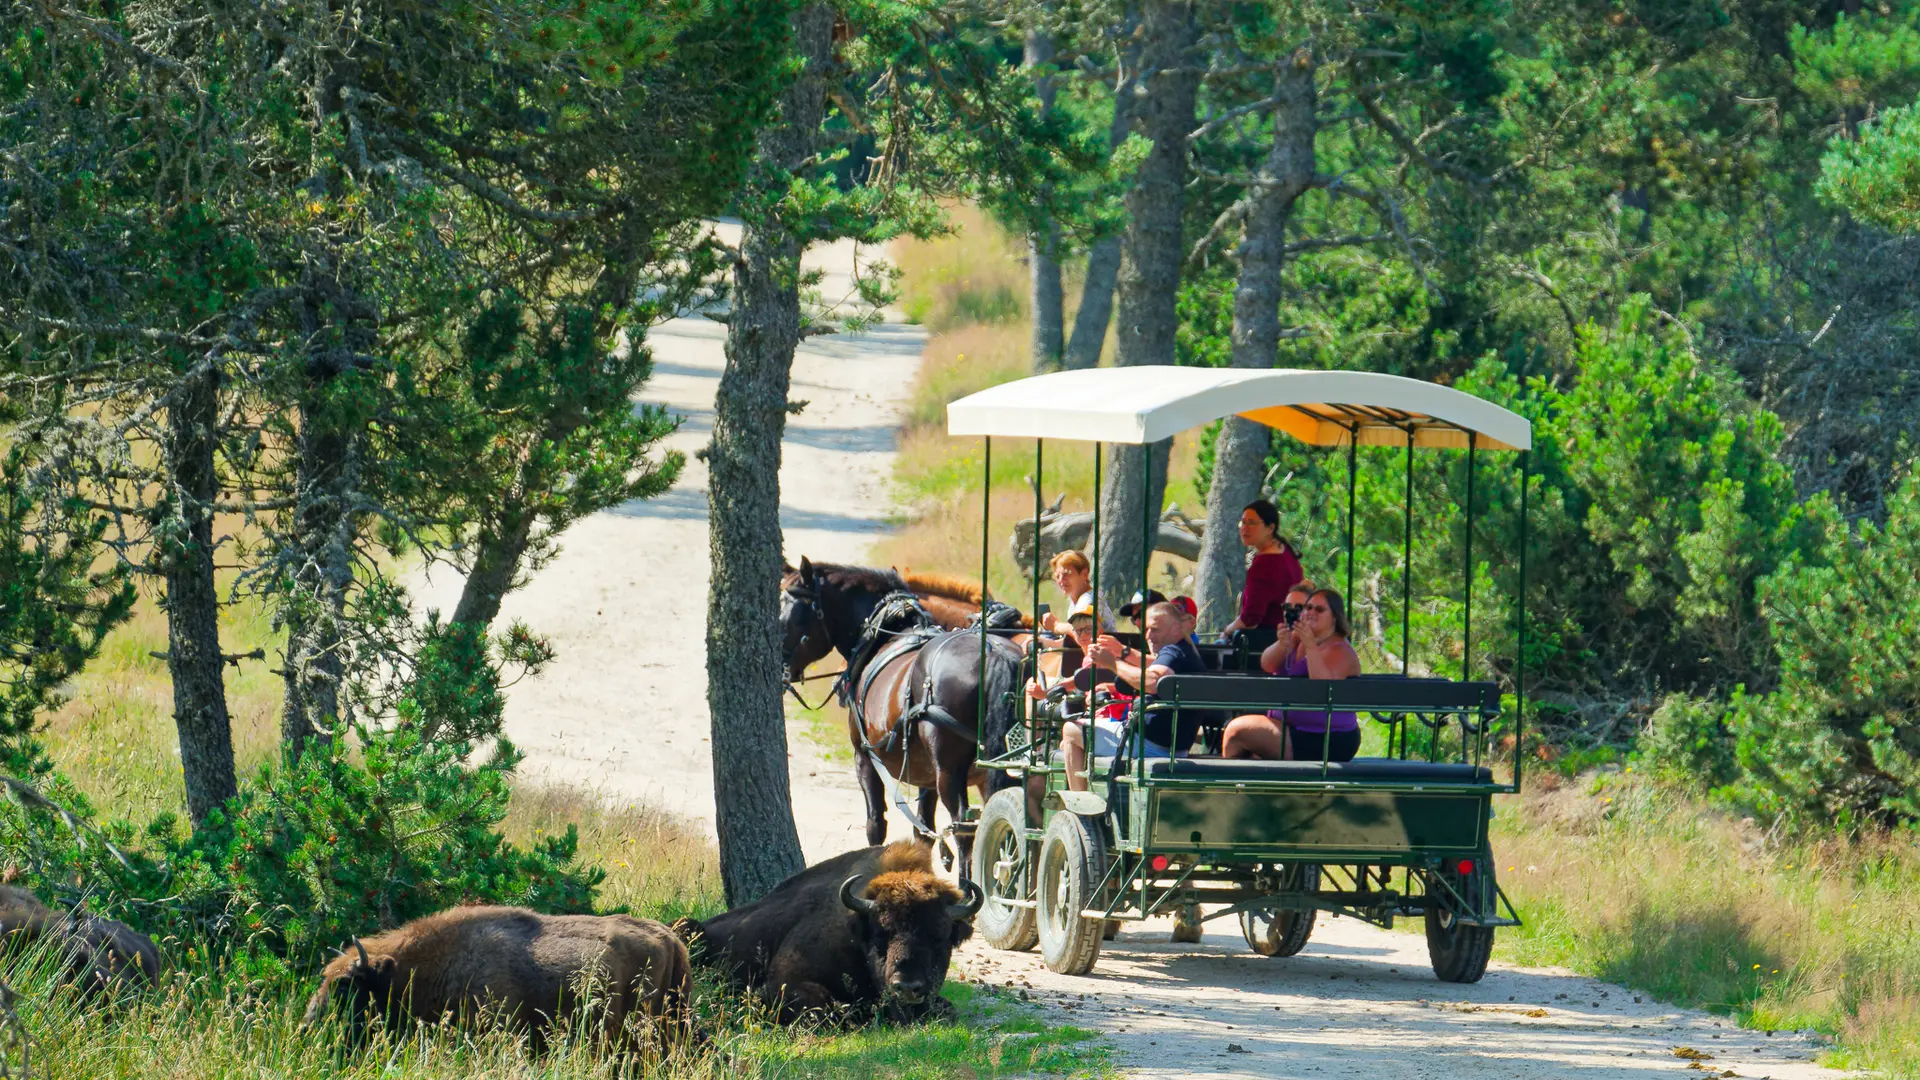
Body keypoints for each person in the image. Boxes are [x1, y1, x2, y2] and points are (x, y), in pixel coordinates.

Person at [1058, 603, 1205, 791]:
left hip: (1149, 745)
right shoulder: (1187, 652)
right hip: (1174, 746)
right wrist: (1121, 657)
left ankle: (1080, 807)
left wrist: (1112, 663)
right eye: (1146, 630)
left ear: (1176, 629)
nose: (1148, 636)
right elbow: (1150, 673)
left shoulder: (1173, 652)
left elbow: (1152, 681)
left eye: (1155, 629)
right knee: (1068, 742)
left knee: (1071, 730)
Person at [1221, 587, 1362, 762]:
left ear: (1334, 617)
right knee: (1248, 749)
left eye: (1319, 609)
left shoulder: (1340, 649)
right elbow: (1267, 663)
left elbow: (1322, 687)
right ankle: (1248, 787)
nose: (1311, 613)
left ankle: (1234, 787)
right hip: (1291, 728)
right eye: (1308, 608)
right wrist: (1282, 644)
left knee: (1236, 731)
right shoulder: (1298, 639)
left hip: (1325, 737)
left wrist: (1310, 645)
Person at [1215, 499, 1304, 639]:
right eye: (1243, 522)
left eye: (1252, 523)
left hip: (1268, 641)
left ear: (1270, 528)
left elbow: (1251, 619)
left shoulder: (1266, 564)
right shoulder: (1284, 551)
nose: (1245, 528)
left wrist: (1227, 631)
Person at [1038, 550, 1114, 635]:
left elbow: (1081, 632)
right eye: (1057, 576)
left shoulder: (1089, 599)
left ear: (1084, 574)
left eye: (1067, 574)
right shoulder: (1074, 603)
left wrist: (1056, 625)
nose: (1061, 580)